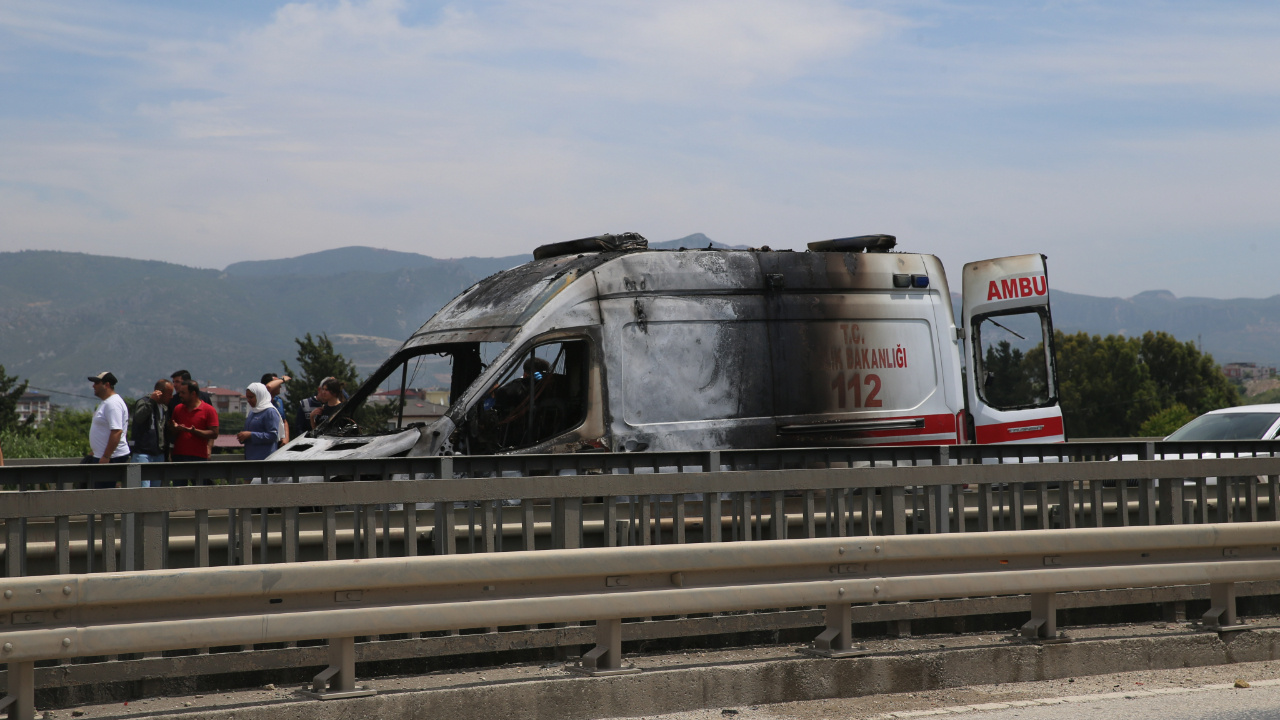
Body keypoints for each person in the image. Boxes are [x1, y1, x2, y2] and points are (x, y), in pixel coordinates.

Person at [84, 371, 131, 465]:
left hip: (112, 457)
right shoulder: (106, 402)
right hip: (102, 455)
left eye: (97, 383)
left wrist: (106, 456)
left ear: (107, 385)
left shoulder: (113, 404)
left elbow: (117, 431)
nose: (93, 386)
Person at [170, 380, 219, 463]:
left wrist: (194, 431)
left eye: (183, 393)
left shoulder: (209, 410)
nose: (180, 395)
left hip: (199, 457)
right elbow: (171, 432)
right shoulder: (177, 409)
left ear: (193, 394)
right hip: (178, 456)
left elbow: (214, 433)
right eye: (180, 392)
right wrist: (175, 428)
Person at [130, 379, 173, 465]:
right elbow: (138, 418)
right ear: (160, 393)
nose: (171, 397)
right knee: (138, 478)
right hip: (142, 453)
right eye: (170, 394)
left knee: (157, 478)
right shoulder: (144, 402)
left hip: (158, 454)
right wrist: (151, 401)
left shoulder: (164, 407)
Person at [238, 383, 282, 460]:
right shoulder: (252, 412)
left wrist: (251, 435)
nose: (248, 400)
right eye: (247, 397)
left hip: (265, 459)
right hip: (251, 457)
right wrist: (243, 437)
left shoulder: (270, 412)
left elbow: (273, 435)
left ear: (260, 396)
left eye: (251, 397)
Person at [260, 373, 291, 447]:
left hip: (279, 443)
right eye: (278, 383)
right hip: (265, 441)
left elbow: (284, 421)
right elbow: (268, 387)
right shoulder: (261, 399)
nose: (280, 386)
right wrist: (282, 379)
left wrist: (286, 438)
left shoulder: (278, 401)